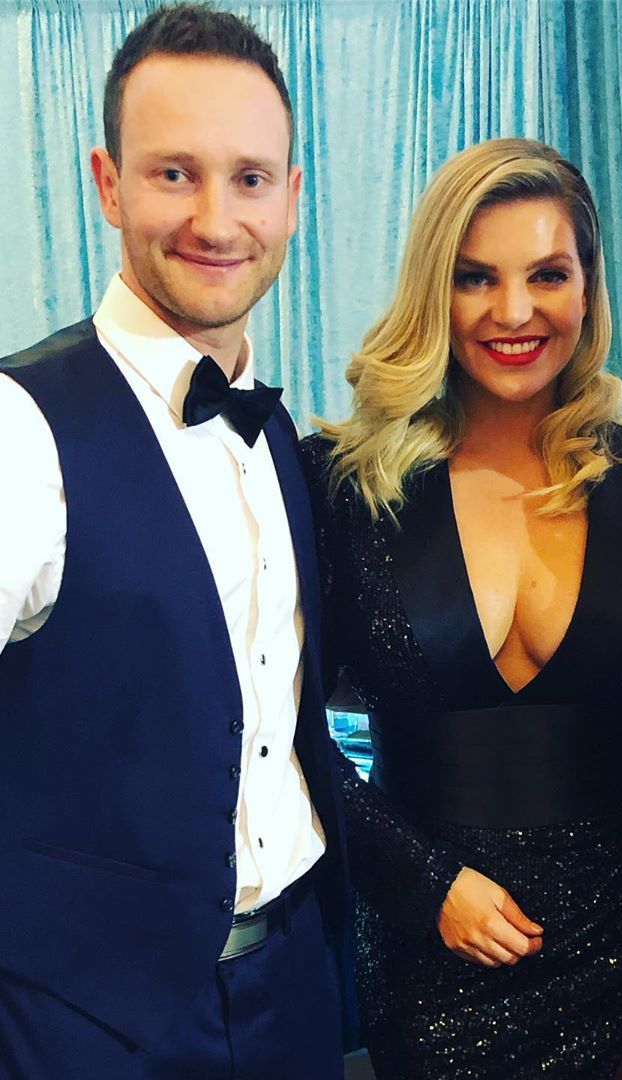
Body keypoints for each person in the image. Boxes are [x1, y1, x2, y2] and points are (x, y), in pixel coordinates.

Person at [300, 137, 622, 1079]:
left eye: (547, 275)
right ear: (432, 291)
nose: (514, 312)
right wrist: (421, 880)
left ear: (588, 288)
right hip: (431, 957)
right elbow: (280, 734)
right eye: (476, 277)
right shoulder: (344, 485)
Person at [0, 6, 349, 1076]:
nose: (215, 217)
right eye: (173, 174)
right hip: (84, 1023)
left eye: (249, 179)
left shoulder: (278, 435)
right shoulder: (20, 427)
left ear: (292, 199)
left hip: (296, 989)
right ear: (108, 184)